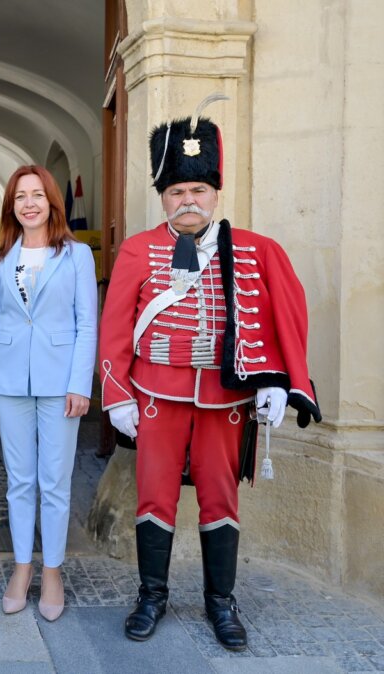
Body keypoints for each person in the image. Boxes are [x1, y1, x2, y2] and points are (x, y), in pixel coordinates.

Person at [98, 96, 321, 650]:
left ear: (215, 193)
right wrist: (117, 393)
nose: (187, 201)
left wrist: (277, 380)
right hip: (156, 394)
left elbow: (282, 315)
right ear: (164, 198)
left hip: (225, 399)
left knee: (221, 499)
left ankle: (221, 602)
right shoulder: (138, 250)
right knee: (153, 498)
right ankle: (152, 596)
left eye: (197, 191)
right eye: (176, 192)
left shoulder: (254, 249)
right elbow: (116, 326)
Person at [0, 165, 97, 621]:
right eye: (20, 196)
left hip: (60, 382)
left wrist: (80, 384)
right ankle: (22, 567)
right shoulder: (2, 258)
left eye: (37, 195)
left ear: (51, 203)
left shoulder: (77, 255)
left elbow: (87, 326)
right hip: (9, 382)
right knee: (19, 481)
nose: (28, 203)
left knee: (55, 482)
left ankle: (53, 570)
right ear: (12, 206)